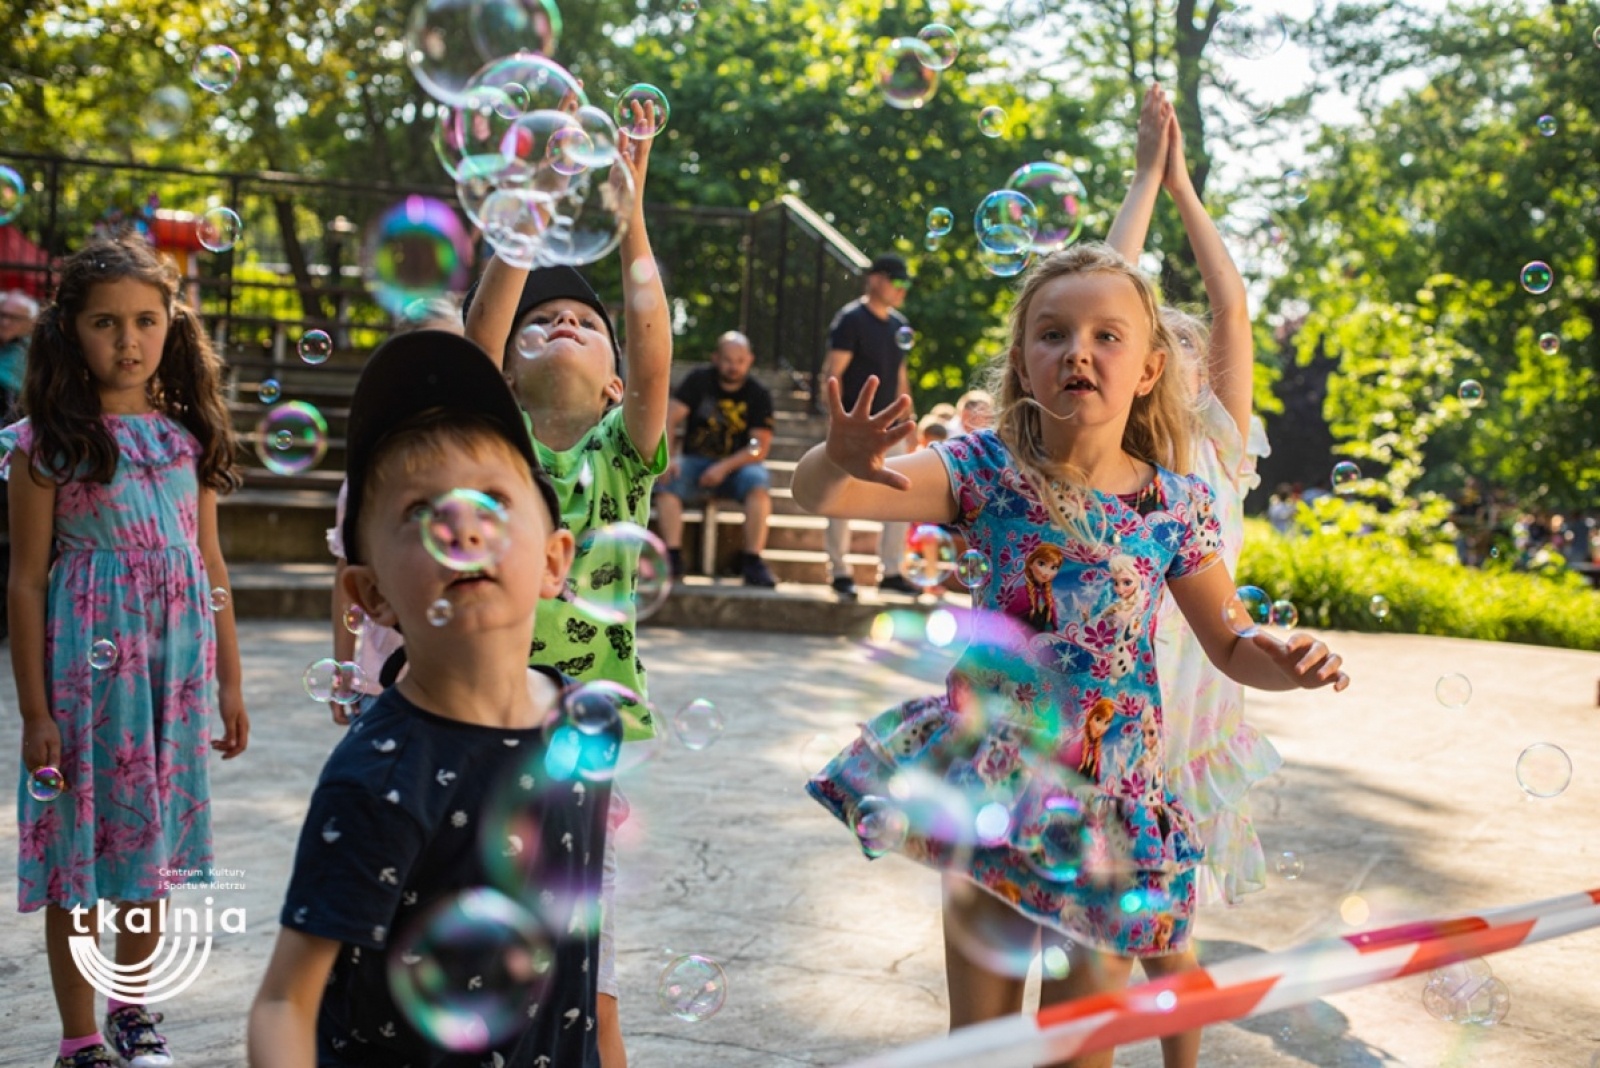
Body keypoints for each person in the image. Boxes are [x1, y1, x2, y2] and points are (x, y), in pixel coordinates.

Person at [792, 241, 1349, 1068]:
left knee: (1075, 1054)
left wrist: (1286, 662)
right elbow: (825, 493)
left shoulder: (1177, 505)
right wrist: (837, 460)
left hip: (1112, 809)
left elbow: (1232, 642)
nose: (1078, 351)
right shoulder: (980, 470)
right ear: (1023, 362)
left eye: (1107, 335)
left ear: (1152, 369)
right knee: (979, 1047)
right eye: (1052, 334)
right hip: (996, 790)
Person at [248, 331, 616, 1066]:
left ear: (554, 560)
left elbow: (575, 958)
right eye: (424, 511)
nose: (463, 528)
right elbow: (287, 1001)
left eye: (493, 502)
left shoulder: (585, 720)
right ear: (370, 594)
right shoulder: (379, 776)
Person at [5, 239, 249, 1068]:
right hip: (85, 681)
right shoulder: (44, 445)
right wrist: (35, 711)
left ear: (172, 327)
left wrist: (231, 681)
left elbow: (210, 567)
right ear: (69, 331)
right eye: (105, 322)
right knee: (78, 856)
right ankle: (80, 1040)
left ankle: (133, 1012)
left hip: (170, 679)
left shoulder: (187, 440)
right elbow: (27, 582)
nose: (128, 339)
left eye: (146, 320)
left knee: (147, 857)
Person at [462, 101, 666, 1068]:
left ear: (619, 388)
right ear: (506, 373)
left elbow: (653, 333)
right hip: (479, 717)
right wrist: (527, 216)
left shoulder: (621, 458)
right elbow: (474, 339)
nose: (563, 324)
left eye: (585, 323)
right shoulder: (491, 449)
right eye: (541, 323)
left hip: (580, 732)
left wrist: (631, 213)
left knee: (591, 968)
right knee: (482, 954)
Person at [1108, 82, 1285, 914]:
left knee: (1169, 911)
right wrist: (1142, 178)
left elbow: (1231, 305)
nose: (1180, 347)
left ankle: (1180, 1037)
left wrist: (1180, 186)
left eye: (1185, 341)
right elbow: (1107, 286)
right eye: (1155, 339)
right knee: (1109, 889)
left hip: (1201, 684)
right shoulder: (1114, 450)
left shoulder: (1218, 445)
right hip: (1123, 678)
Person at [326, 298, 465, 724]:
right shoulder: (372, 473)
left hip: (461, 683)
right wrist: (341, 671)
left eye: (459, 353)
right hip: (381, 685)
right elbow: (348, 577)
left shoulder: (484, 469)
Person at [822, 253, 917, 599]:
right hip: (854, 427)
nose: (903, 289)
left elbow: (901, 377)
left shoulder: (898, 325)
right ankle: (839, 571)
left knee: (900, 497)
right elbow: (833, 371)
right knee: (839, 497)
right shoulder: (851, 320)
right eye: (898, 281)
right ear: (876, 279)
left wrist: (911, 421)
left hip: (891, 428)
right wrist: (836, 422)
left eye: (907, 283)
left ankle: (891, 571)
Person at [653, 330, 778, 586]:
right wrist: (668, 456)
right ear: (716, 358)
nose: (734, 366)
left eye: (740, 360)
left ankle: (752, 560)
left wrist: (724, 467)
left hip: (738, 466)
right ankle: (674, 557)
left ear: (750, 360)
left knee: (759, 482)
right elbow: (669, 416)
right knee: (665, 483)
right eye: (728, 359)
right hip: (693, 462)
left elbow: (758, 446)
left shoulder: (758, 394)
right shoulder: (698, 381)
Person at [0, 289, 39, 418]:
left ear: (31, 322)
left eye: (15, 318)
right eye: (3, 315)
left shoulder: (30, 348)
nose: (5, 322)